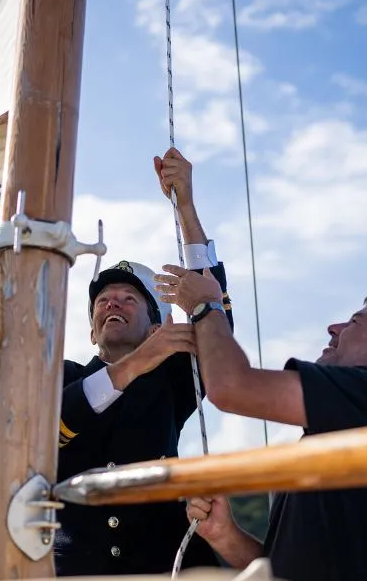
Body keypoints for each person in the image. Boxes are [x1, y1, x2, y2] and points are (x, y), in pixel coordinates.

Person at [153, 267, 367, 581]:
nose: (333, 328)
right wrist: (225, 535)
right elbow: (283, 569)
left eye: (354, 322)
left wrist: (207, 306)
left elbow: (231, 387)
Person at [52, 148, 234, 576]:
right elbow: (54, 424)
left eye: (129, 298)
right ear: (92, 332)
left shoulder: (173, 380)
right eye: (103, 300)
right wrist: (138, 362)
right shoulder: (60, 376)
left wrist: (185, 206)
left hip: (166, 567)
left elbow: (215, 321)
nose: (112, 303)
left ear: (158, 327)